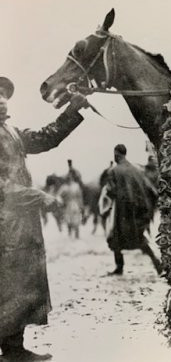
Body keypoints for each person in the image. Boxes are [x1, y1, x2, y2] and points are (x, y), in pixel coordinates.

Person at [0, 76, 87, 361]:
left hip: (20, 223)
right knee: (7, 282)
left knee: (22, 282)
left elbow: (45, 137)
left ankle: (14, 349)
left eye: (4, 95)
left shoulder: (11, 131)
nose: (2, 100)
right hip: (4, 223)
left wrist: (72, 110)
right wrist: (41, 197)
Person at [106, 144, 162, 275]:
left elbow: (111, 191)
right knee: (139, 238)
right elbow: (149, 189)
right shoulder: (136, 170)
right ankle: (156, 263)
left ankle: (119, 267)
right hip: (137, 211)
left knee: (116, 236)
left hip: (122, 212)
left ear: (116, 154)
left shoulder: (113, 171)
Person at [56, 171, 84, 239]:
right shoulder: (64, 187)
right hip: (67, 205)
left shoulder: (76, 186)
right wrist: (61, 202)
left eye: (70, 177)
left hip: (75, 205)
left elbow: (80, 196)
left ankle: (77, 235)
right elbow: (58, 195)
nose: (69, 179)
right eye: (67, 178)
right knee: (68, 219)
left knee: (76, 219)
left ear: (72, 178)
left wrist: (81, 205)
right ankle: (70, 234)